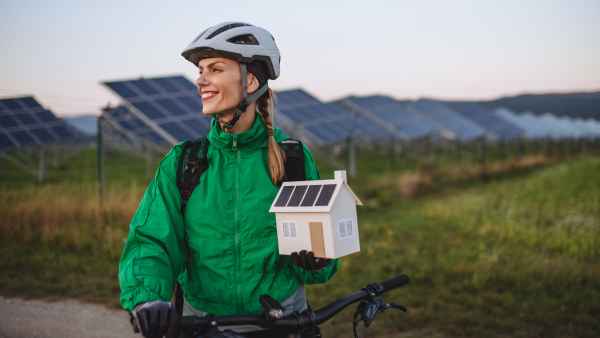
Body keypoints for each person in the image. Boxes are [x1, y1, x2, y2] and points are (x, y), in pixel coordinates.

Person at [119, 22, 339, 338]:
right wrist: (147, 299)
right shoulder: (183, 161)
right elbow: (151, 240)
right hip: (203, 324)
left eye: (215, 69)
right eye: (201, 70)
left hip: (283, 323)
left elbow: (319, 257)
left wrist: (316, 261)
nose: (200, 80)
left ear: (251, 80)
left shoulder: (293, 159)